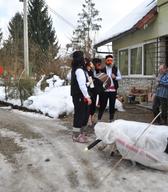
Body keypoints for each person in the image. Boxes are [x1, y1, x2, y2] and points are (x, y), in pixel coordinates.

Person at [71, 51, 92, 143]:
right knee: (79, 115)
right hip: (79, 96)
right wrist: (87, 97)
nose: (84, 59)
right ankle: (76, 135)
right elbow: (82, 85)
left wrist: (89, 82)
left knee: (84, 114)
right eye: (83, 58)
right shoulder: (79, 70)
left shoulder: (78, 69)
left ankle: (81, 133)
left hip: (79, 95)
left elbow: (82, 83)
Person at [98, 54, 122, 122]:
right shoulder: (102, 70)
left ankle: (111, 119)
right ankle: (99, 119)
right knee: (103, 104)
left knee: (112, 105)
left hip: (113, 90)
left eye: (111, 60)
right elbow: (98, 79)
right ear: (105, 61)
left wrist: (115, 77)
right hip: (104, 90)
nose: (110, 62)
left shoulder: (116, 68)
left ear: (113, 61)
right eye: (108, 60)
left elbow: (120, 77)